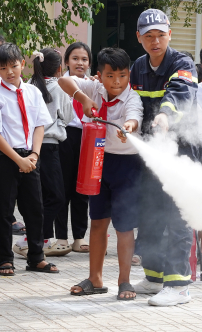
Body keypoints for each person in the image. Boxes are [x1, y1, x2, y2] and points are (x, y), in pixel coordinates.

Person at [59, 47, 142, 300]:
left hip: (126, 166)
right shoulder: (93, 88)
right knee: (97, 222)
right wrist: (82, 98)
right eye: (110, 76)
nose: (116, 82)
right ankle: (95, 278)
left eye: (122, 76)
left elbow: (134, 118)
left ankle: (125, 281)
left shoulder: (132, 98)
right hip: (98, 161)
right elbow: (64, 80)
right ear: (99, 75)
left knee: (124, 227)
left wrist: (128, 126)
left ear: (129, 76)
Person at [130, 8, 197, 306]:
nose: (155, 41)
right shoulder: (137, 67)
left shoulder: (183, 63)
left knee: (177, 215)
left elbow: (179, 93)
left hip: (181, 149)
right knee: (150, 212)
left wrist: (166, 117)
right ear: (139, 38)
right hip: (151, 151)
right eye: (148, 36)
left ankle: (179, 285)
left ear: (169, 34)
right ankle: (155, 277)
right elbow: (132, 103)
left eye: (160, 35)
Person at [0, 43, 59, 276]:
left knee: (35, 208)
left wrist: (34, 155)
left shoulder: (33, 92)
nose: (10, 72)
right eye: (3, 68)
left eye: (14, 66)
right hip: (6, 157)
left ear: (22, 65)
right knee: (5, 210)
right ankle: (5, 258)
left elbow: (39, 124)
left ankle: (36, 256)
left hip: (30, 157)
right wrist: (18, 159)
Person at [26, 48, 73, 257]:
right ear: (59, 68)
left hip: (31, 146)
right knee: (56, 195)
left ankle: (39, 237)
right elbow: (69, 115)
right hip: (50, 145)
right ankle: (38, 236)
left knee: (41, 194)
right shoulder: (59, 87)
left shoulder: (29, 85)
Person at [55, 42, 92, 254]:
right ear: (67, 61)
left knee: (82, 190)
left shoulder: (94, 85)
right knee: (62, 188)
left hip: (87, 138)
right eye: (75, 58)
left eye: (84, 59)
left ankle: (79, 236)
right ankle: (61, 237)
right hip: (64, 136)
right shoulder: (59, 84)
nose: (80, 63)